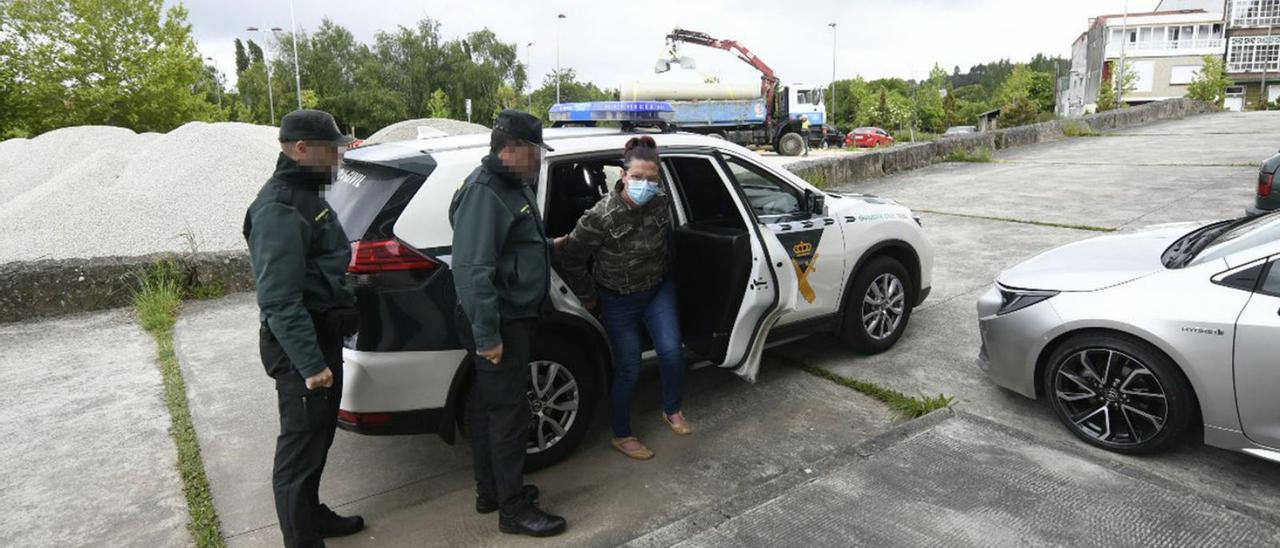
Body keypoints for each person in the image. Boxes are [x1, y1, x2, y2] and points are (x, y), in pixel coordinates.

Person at [243, 109, 365, 548]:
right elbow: (279, 300)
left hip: (321, 335)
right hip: (301, 350)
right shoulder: (278, 207)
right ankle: (301, 539)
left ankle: (313, 517)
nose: (337, 159)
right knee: (299, 450)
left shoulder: (305, 194)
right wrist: (312, 365)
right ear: (299, 149)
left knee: (319, 438)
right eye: (330, 150)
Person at [449, 109, 567, 537]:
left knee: (488, 409)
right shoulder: (487, 193)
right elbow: (471, 270)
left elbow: (516, 248)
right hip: (499, 322)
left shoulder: (508, 186)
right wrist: (489, 335)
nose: (539, 161)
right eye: (536, 152)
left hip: (505, 318)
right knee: (508, 416)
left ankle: (493, 491)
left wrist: (553, 246)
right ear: (513, 148)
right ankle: (513, 510)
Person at [555, 136, 691, 461]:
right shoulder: (600, 216)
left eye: (652, 178)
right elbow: (571, 257)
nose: (645, 184)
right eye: (638, 177)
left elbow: (667, 241)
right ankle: (622, 433)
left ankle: (671, 409)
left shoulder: (661, 202)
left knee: (672, 353)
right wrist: (588, 296)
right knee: (628, 368)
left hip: (657, 290)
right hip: (618, 300)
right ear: (623, 176)